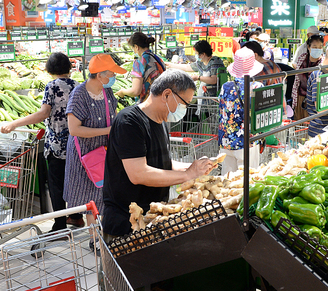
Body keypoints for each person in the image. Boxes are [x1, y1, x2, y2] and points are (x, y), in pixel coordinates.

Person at [102, 69, 216, 237]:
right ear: (167, 94)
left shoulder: (160, 121)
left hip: (151, 219)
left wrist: (194, 168)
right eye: (185, 102)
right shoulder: (129, 122)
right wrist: (188, 175)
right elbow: (139, 174)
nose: (184, 109)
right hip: (126, 224)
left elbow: (163, 164)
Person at [0, 52, 81, 231]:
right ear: (68, 67)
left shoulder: (51, 86)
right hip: (76, 144)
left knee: (57, 186)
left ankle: (59, 225)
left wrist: (14, 124)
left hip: (57, 146)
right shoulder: (78, 85)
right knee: (74, 181)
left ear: (50, 69)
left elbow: (43, 113)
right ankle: (76, 217)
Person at [65, 54, 125, 229]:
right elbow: (74, 129)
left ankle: (100, 236)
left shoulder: (106, 91)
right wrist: (107, 131)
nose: (114, 78)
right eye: (112, 74)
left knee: (103, 196)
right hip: (86, 156)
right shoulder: (79, 95)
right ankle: (95, 240)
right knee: (91, 202)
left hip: (104, 152)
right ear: (100, 75)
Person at [218, 48, 264, 175]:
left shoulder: (226, 86)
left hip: (226, 141)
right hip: (247, 142)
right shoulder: (257, 87)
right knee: (247, 182)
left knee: (227, 182)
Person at [116, 32, 165, 102]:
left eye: (133, 48)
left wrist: (123, 92)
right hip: (162, 102)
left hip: (147, 106)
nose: (133, 51)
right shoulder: (158, 59)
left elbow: (135, 91)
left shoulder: (139, 62)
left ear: (136, 47)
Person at [291, 35, 324, 121]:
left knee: (311, 125)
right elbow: (297, 80)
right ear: (309, 47)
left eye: (320, 47)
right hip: (300, 98)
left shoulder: (324, 62)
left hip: (314, 100)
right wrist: (294, 99)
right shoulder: (302, 58)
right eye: (315, 47)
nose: (318, 49)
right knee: (299, 125)